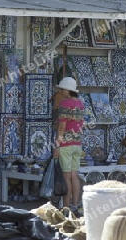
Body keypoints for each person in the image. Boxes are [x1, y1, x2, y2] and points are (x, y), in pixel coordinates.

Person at [53, 77, 84, 215]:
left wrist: (57, 145)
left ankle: (65, 209)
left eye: (62, 89)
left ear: (68, 90)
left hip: (66, 144)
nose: (61, 91)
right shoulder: (81, 104)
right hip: (77, 144)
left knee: (66, 177)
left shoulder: (65, 104)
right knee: (74, 176)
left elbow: (61, 127)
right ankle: (75, 206)